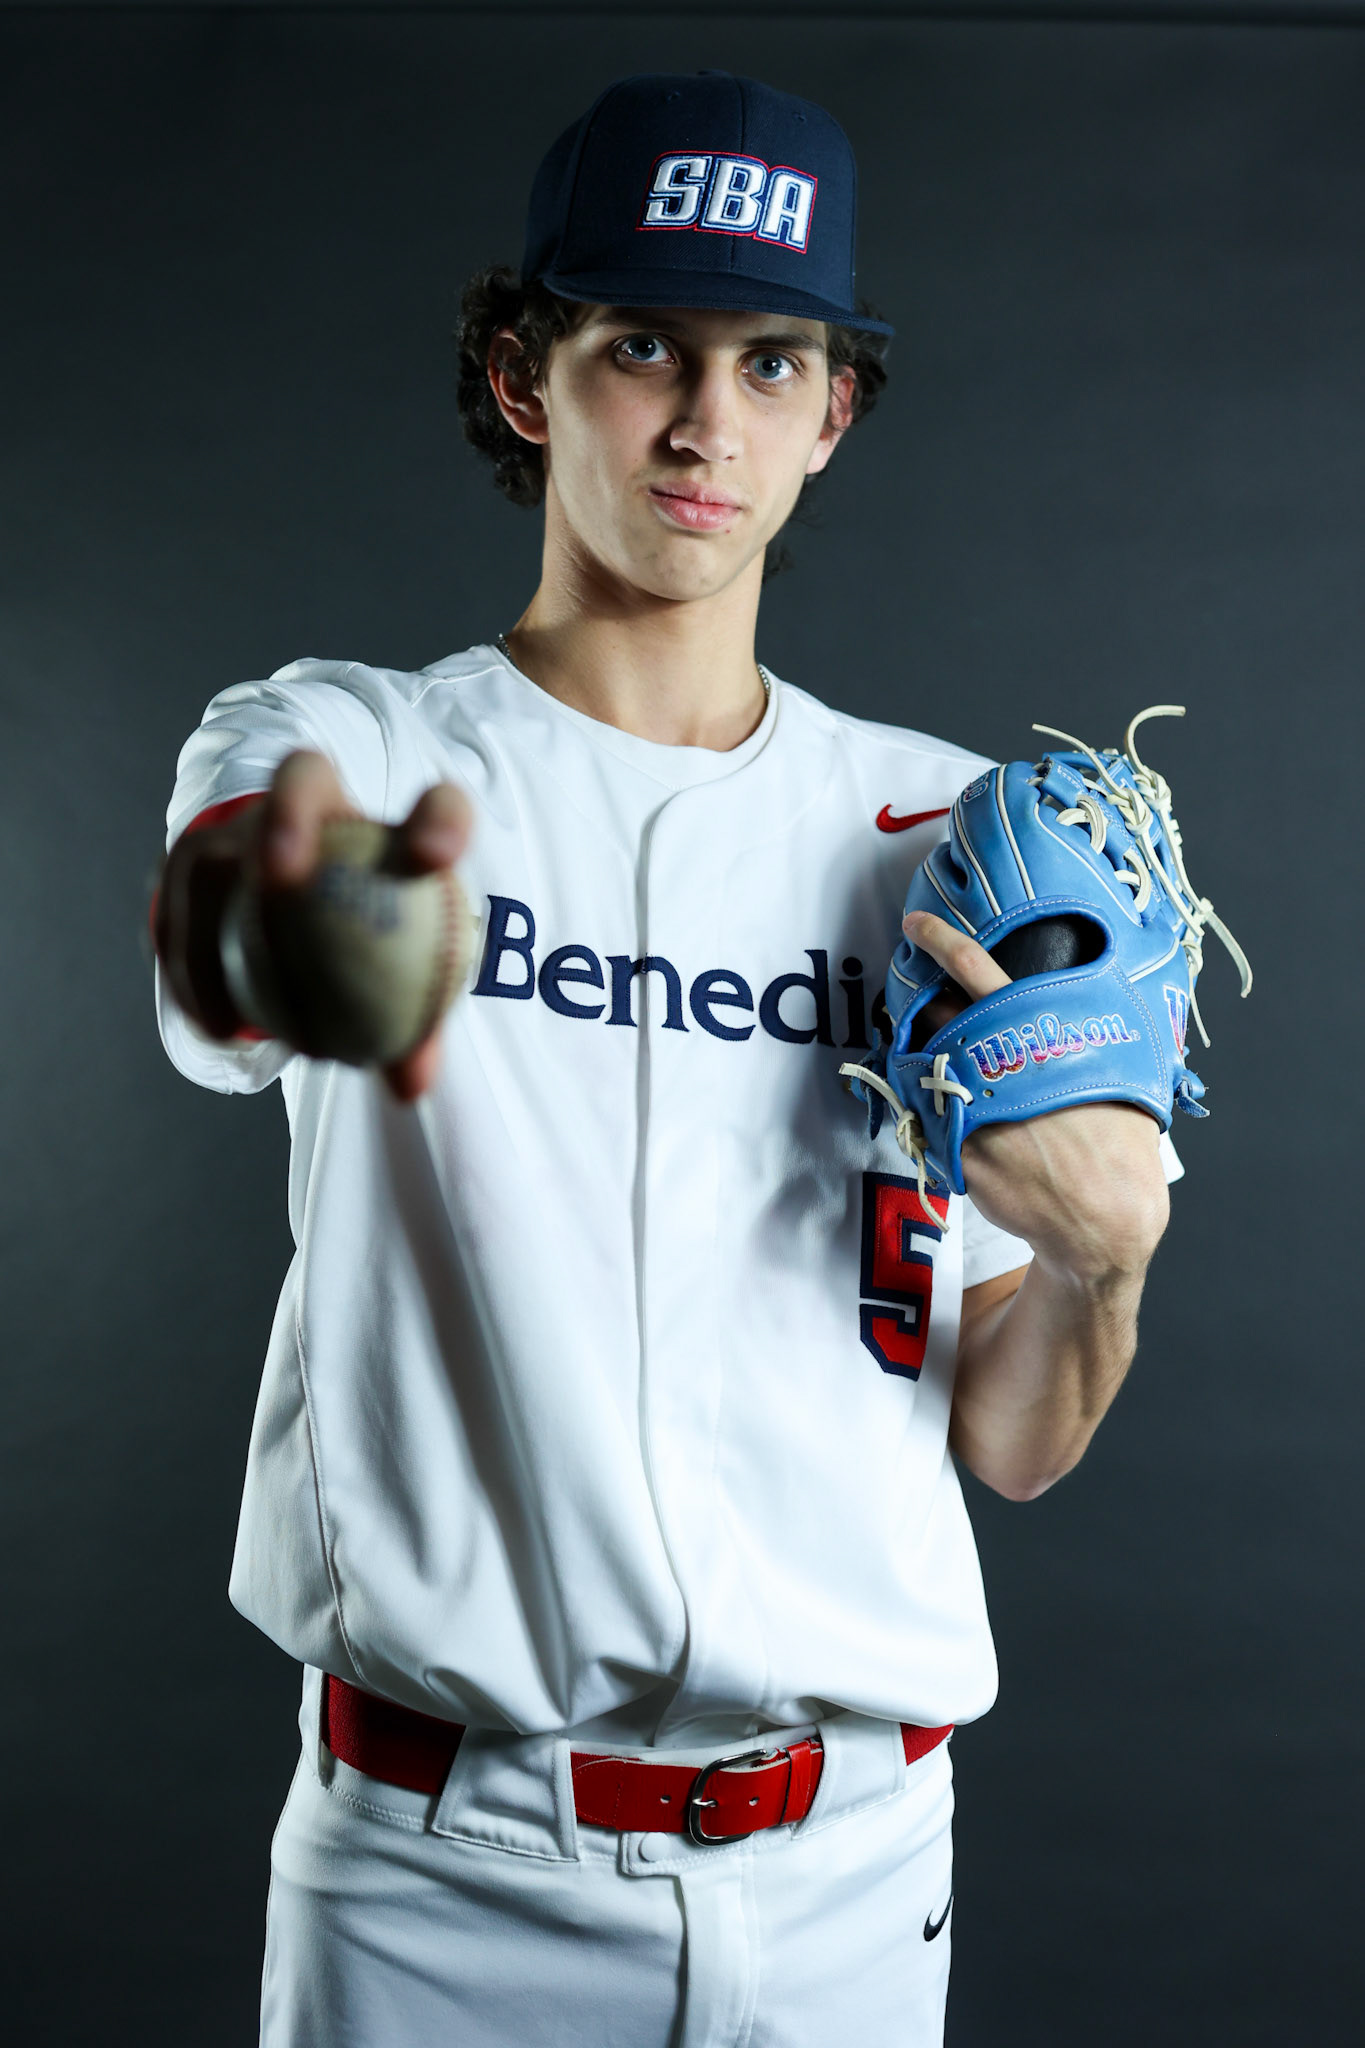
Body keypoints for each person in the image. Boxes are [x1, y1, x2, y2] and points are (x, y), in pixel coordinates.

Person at [154, 71, 1174, 2048]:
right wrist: (283, 930)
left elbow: (1014, 1437)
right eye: (641, 347)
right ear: (524, 376)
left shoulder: (952, 837)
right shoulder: (356, 749)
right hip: (439, 1874)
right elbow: (227, 945)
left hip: (854, 1870)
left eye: (767, 359)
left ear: (829, 413)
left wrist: (1099, 1265)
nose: (703, 421)